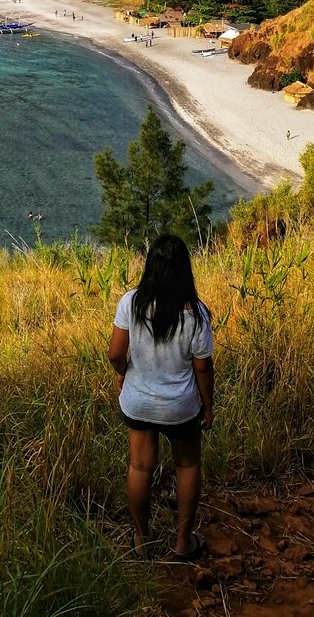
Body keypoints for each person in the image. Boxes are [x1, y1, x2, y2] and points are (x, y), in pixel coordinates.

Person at [108, 234, 214, 561]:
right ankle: (182, 544)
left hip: (138, 401)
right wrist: (207, 406)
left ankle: (141, 541)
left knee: (140, 468)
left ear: (149, 266)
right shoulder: (196, 313)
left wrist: (123, 371)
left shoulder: (132, 303)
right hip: (181, 407)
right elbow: (202, 368)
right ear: (185, 269)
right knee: (187, 465)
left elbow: (114, 353)